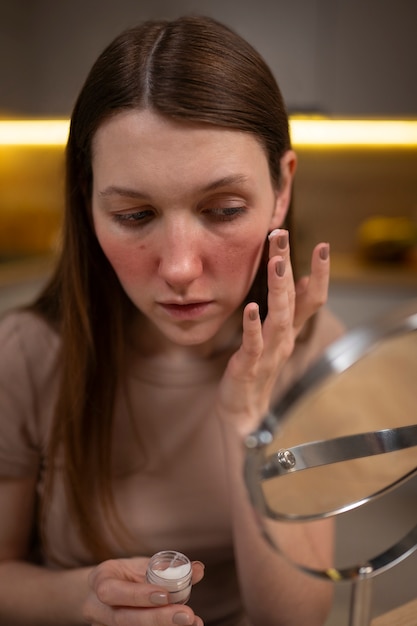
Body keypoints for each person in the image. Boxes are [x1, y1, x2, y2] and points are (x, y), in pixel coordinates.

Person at [0, 14, 345, 626]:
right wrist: (83, 598)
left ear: (281, 189)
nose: (181, 268)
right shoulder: (26, 358)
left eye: (224, 209)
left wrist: (248, 419)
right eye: (135, 215)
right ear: (88, 201)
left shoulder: (315, 350)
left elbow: (295, 618)